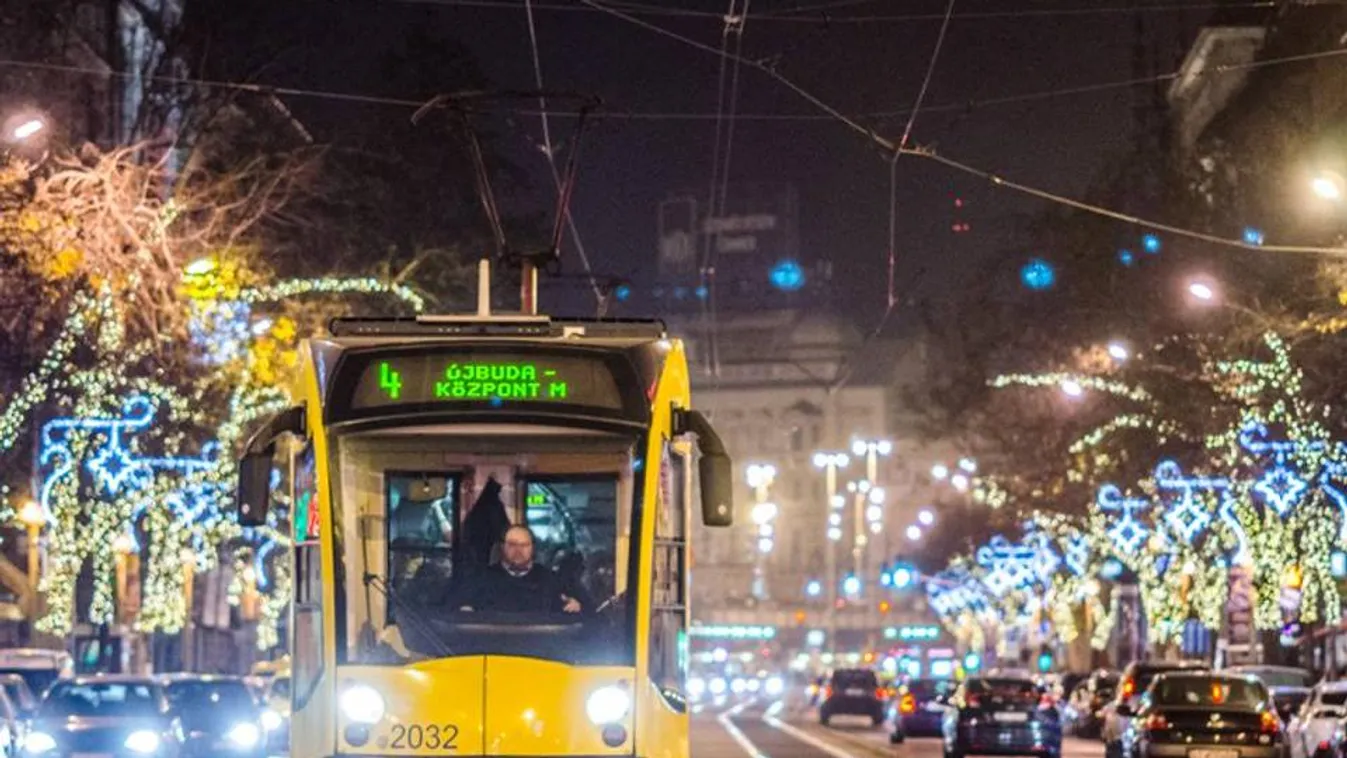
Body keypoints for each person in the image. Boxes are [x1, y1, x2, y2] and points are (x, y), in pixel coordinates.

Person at [458, 525, 590, 613]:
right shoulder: (480, 579)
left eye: (524, 545)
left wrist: (576, 606)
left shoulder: (552, 580)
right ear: (503, 547)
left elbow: (586, 610)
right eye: (512, 544)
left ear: (533, 548)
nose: (518, 550)